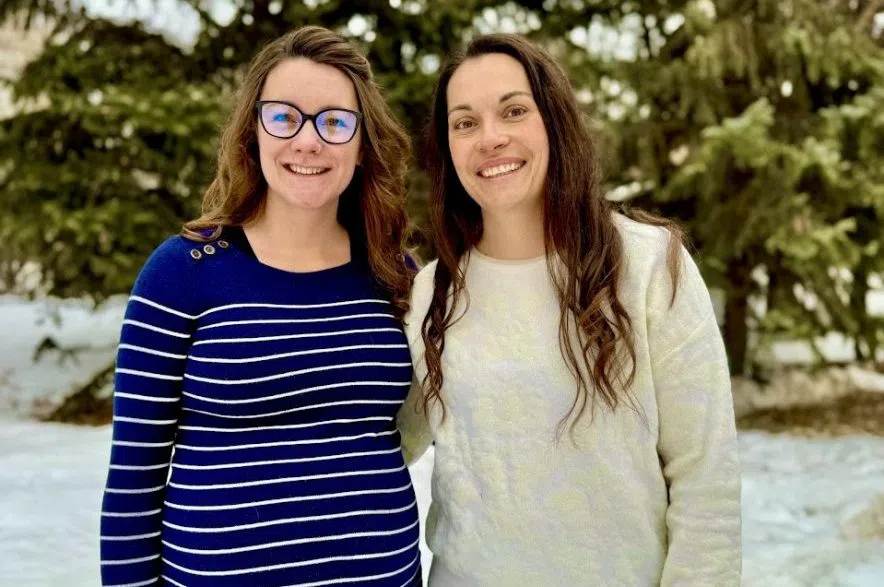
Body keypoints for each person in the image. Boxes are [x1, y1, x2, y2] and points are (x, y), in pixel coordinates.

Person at [397, 34, 741, 586]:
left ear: (553, 122)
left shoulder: (648, 266)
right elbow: (383, 440)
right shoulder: (433, 292)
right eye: (464, 123)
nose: (491, 137)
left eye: (513, 110)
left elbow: (706, 485)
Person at [100, 26, 422, 587]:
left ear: (363, 143)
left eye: (334, 122)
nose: (308, 141)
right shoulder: (183, 271)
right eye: (284, 117)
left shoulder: (396, 275)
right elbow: (134, 476)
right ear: (253, 131)